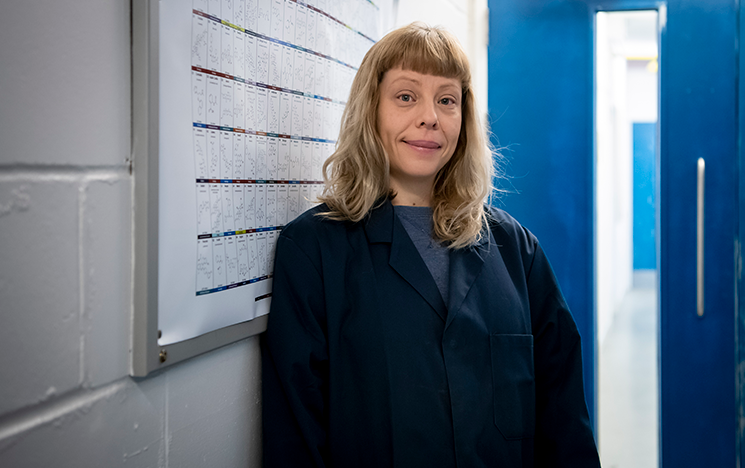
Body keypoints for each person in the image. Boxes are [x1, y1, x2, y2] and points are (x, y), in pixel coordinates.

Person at [261, 22, 600, 468]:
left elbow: (564, 417)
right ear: (371, 110)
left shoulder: (516, 248)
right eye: (406, 96)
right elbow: (296, 437)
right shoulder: (314, 249)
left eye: (447, 100)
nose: (430, 116)